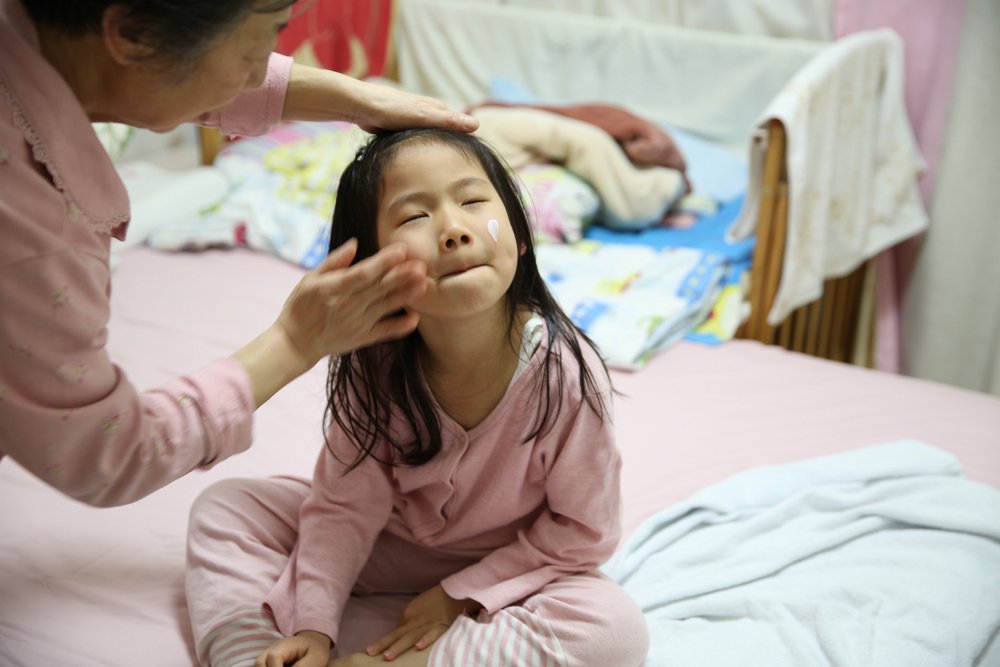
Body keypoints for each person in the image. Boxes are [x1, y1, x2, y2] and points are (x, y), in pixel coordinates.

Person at [185, 128, 650, 667]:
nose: (453, 230)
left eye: (472, 202)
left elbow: (584, 532)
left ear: (520, 236)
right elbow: (344, 506)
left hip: (515, 563)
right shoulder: (373, 362)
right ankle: (258, 658)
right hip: (392, 543)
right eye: (414, 217)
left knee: (612, 629)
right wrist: (312, 626)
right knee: (226, 509)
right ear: (373, 266)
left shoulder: (564, 375)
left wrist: (460, 595)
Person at [0, 0, 479, 506]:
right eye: (254, 52)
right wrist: (295, 341)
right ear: (132, 35)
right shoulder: (30, 226)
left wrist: (358, 98)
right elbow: (107, 452)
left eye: (473, 201)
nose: (258, 73)